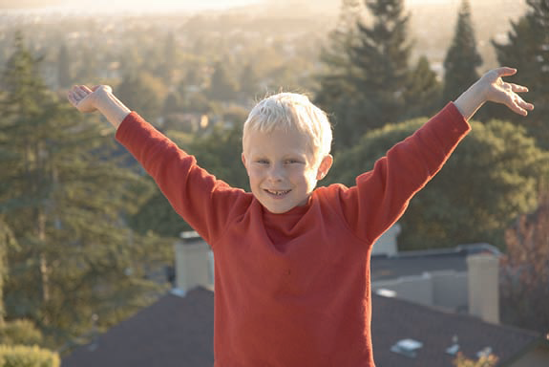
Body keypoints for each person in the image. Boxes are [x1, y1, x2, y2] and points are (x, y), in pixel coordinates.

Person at [68, 67, 533, 366]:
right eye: (262, 161)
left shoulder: (350, 215)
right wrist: (108, 103)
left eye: (292, 161)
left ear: (321, 167)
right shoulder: (224, 216)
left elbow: (411, 162)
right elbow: (166, 159)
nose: (275, 176)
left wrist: (472, 97)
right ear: (244, 160)